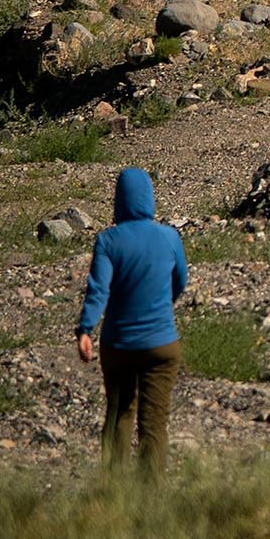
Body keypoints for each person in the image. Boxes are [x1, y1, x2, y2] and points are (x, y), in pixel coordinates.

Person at [75, 165, 187, 474]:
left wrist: (86, 328)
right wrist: (164, 306)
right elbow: (180, 280)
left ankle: (113, 492)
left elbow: (98, 289)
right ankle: (151, 499)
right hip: (162, 344)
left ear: (118, 200)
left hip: (119, 345)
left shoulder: (108, 241)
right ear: (149, 198)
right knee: (154, 425)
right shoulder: (169, 237)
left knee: (119, 416)